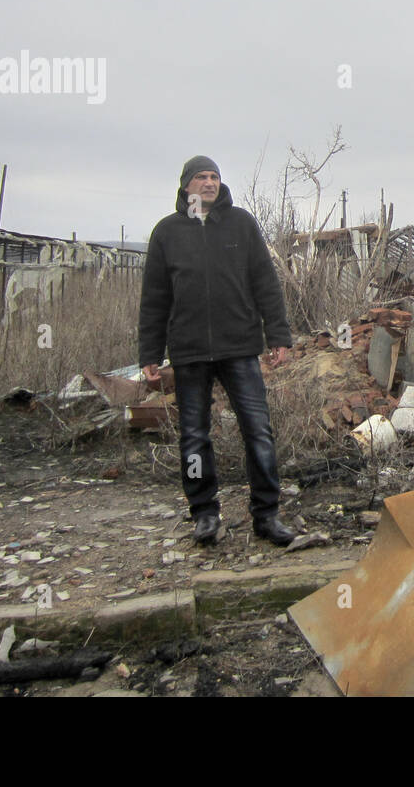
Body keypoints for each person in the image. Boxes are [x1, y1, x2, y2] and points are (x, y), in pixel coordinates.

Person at [138, 155, 297, 547]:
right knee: (193, 437)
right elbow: (154, 300)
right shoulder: (167, 233)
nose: (209, 183)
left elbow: (266, 283)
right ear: (186, 185)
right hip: (189, 352)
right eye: (201, 177)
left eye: (214, 177)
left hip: (240, 346)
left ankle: (267, 515)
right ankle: (205, 514)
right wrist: (149, 355)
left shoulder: (241, 224)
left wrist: (278, 337)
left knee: (258, 431)